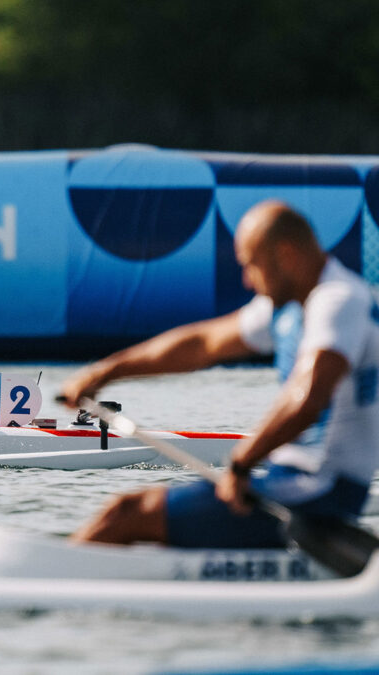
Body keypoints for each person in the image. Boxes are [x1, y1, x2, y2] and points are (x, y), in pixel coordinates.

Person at [59, 199, 379, 548]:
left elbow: (309, 396)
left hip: (319, 491)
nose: (246, 279)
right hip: (290, 484)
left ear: (286, 255)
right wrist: (104, 372)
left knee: (128, 513)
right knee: (153, 530)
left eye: (252, 265)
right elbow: (201, 344)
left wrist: (242, 463)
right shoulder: (291, 307)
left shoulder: (337, 300)